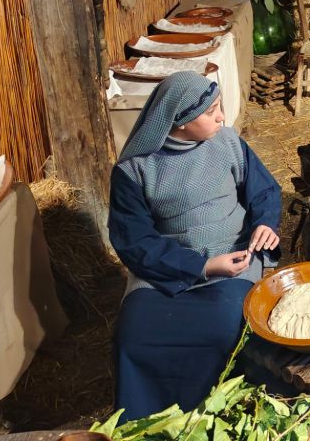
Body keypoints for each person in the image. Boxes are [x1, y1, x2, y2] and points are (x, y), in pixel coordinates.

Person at [109, 71, 281, 420]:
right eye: (211, 112)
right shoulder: (134, 170)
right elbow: (135, 241)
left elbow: (264, 190)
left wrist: (264, 222)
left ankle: (222, 417)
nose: (222, 118)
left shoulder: (229, 144)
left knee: (226, 330)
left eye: (219, 108)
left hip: (233, 258)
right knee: (134, 338)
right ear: (181, 121)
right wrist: (201, 266)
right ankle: (149, 424)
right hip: (163, 270)